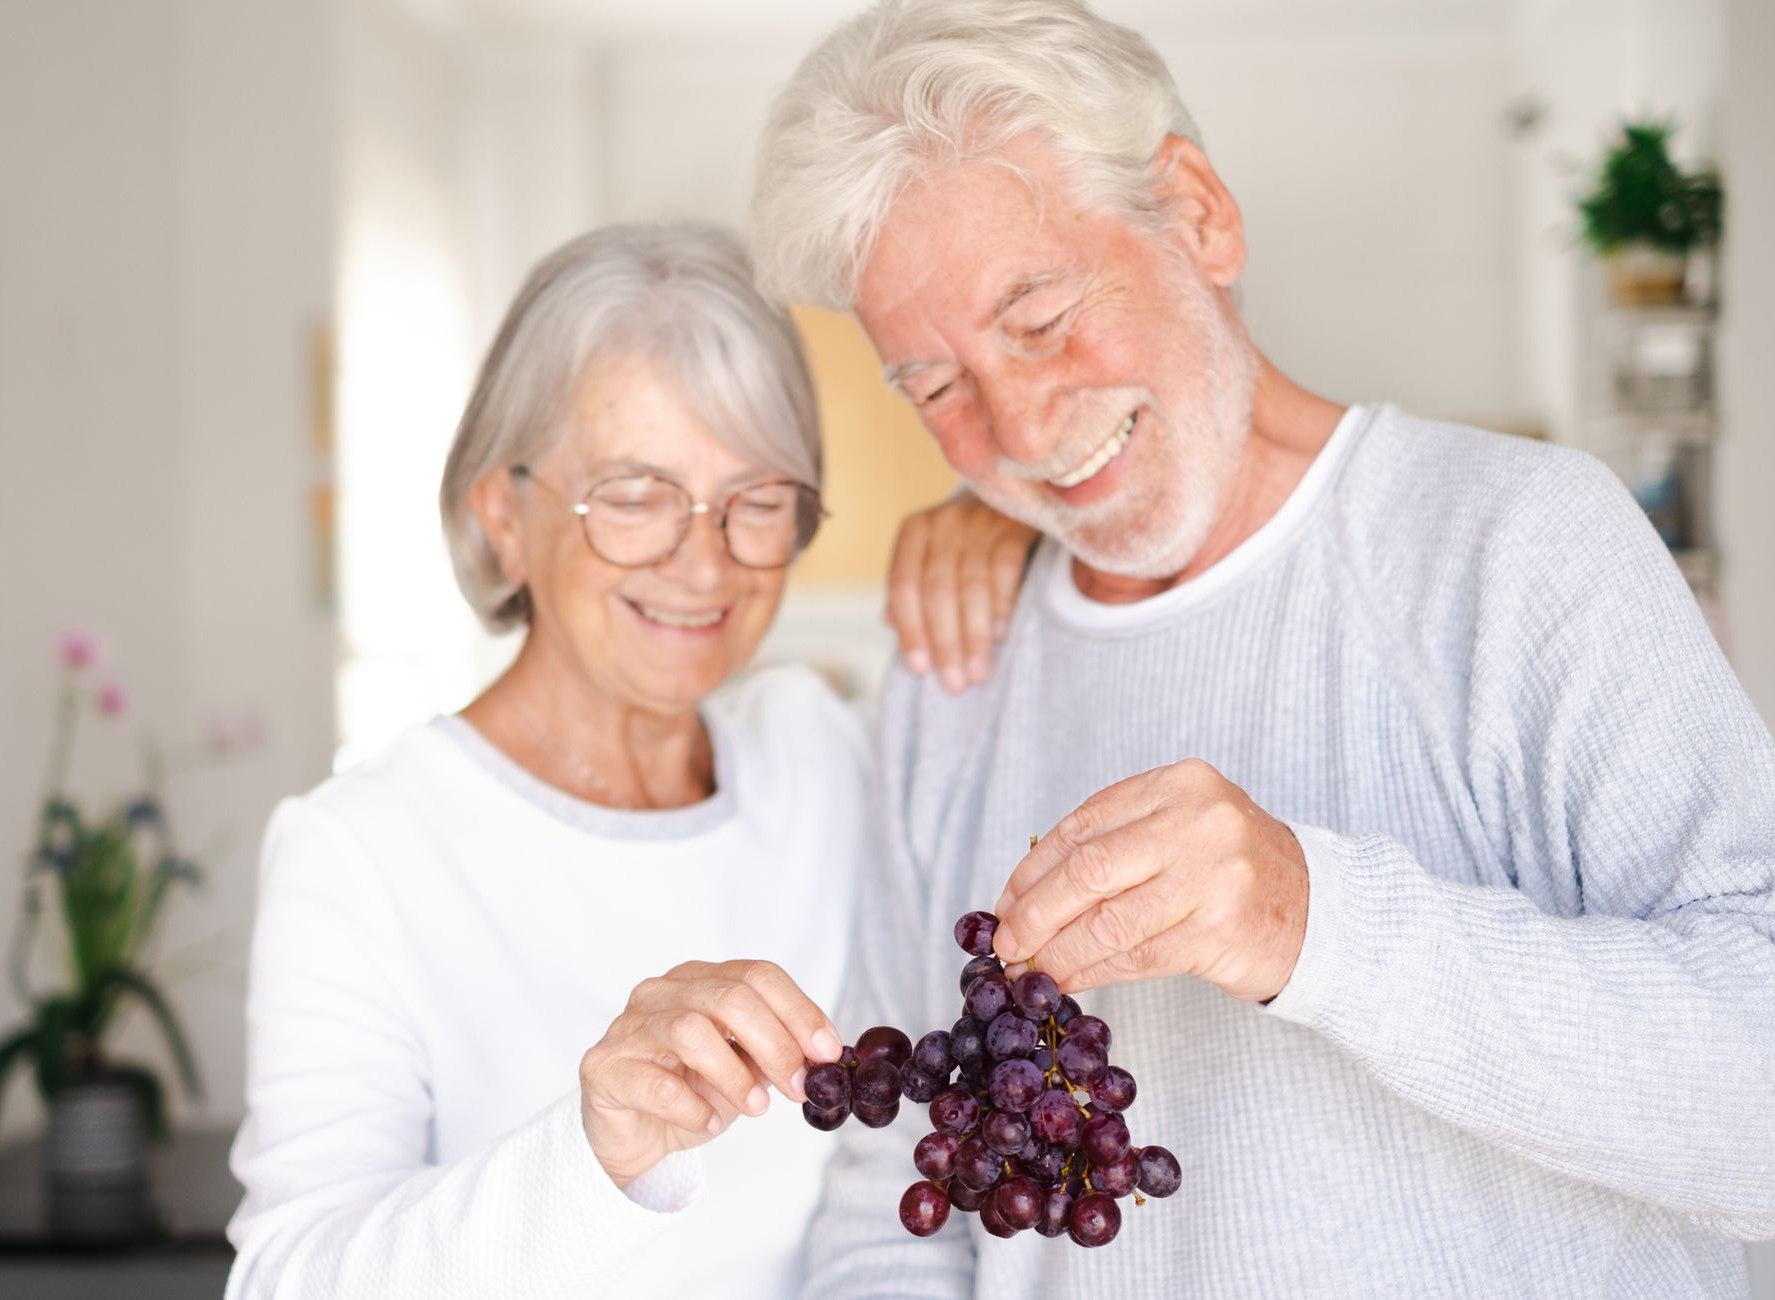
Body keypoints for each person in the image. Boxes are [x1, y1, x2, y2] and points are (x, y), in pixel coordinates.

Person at [748, 1, 1775, 1295]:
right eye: (934, 384)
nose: (1016, 421)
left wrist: (1316, 922)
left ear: (1198, 213)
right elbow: (895, 1186)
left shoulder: (1521, 542)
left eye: (1040, 315)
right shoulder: (953, 663)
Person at [222, 221, 1034, 1299]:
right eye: (635, 496)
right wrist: (591, 1148)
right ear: (502, 517)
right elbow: (287, 1280)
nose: (702, 563)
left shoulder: (818, 750)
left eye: (754, 501)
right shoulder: (361, 847)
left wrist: (1020, 522)